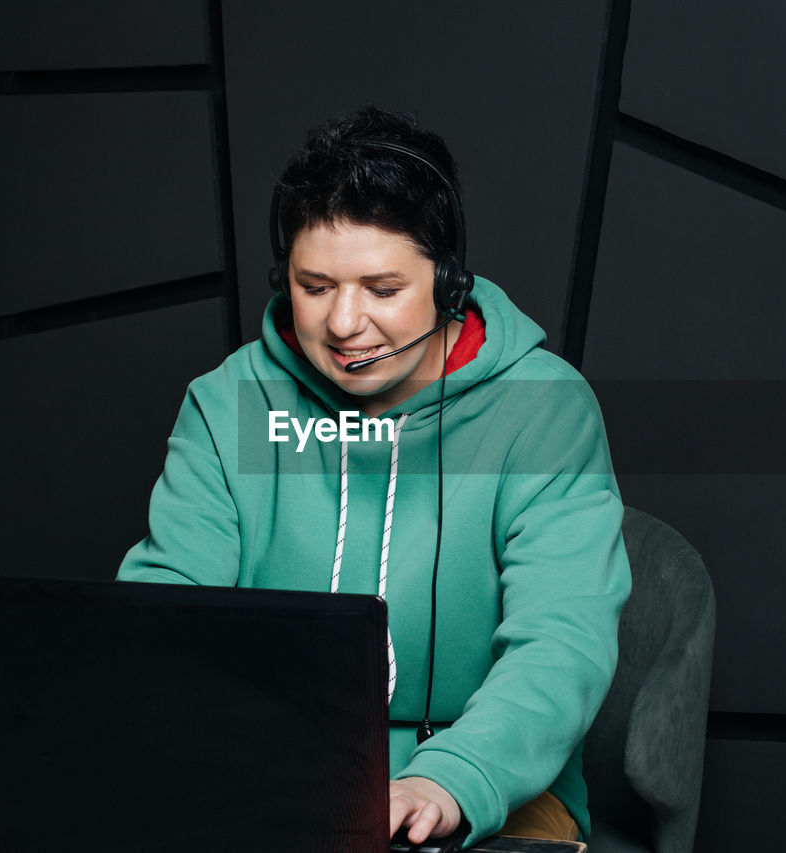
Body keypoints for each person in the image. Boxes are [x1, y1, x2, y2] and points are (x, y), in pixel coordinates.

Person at [118, 105, 630, 847]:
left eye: (382, 289)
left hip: (492, 782)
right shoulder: (231, 404)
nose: (345, 324)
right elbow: (164, 620)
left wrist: (447, 778)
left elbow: (562, 641)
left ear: (449, 281)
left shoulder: (542, 409)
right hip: (269, 778)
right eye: (315, 286)